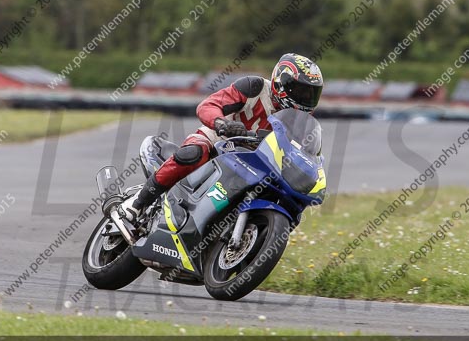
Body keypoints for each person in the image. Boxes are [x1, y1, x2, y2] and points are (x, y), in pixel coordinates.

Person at [111, 53, 324, 231]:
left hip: (258, 159)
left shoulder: (302, 123)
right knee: (194, 153)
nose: (305, 100)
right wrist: (222, 123)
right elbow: (208, 105)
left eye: (311, 95)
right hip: (221, 139)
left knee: (286, 194)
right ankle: (137, 204)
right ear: (282, 83)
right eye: (301, 92)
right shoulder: (255, 87)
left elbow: (308, 154)